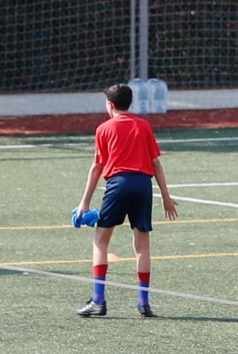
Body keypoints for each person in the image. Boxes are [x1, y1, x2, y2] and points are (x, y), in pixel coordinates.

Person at [75, 82, 178, 318]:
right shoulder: (143, 126)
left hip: (118, 184)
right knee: (142, 245)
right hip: (143, 185)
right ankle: (144, 303)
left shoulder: (104, 128)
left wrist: (85, 202)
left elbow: (97, 167)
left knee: (101, 240)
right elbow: (155, 164)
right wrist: (166, 196)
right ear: (129, 103)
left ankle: (98, 301)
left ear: (110, 105)